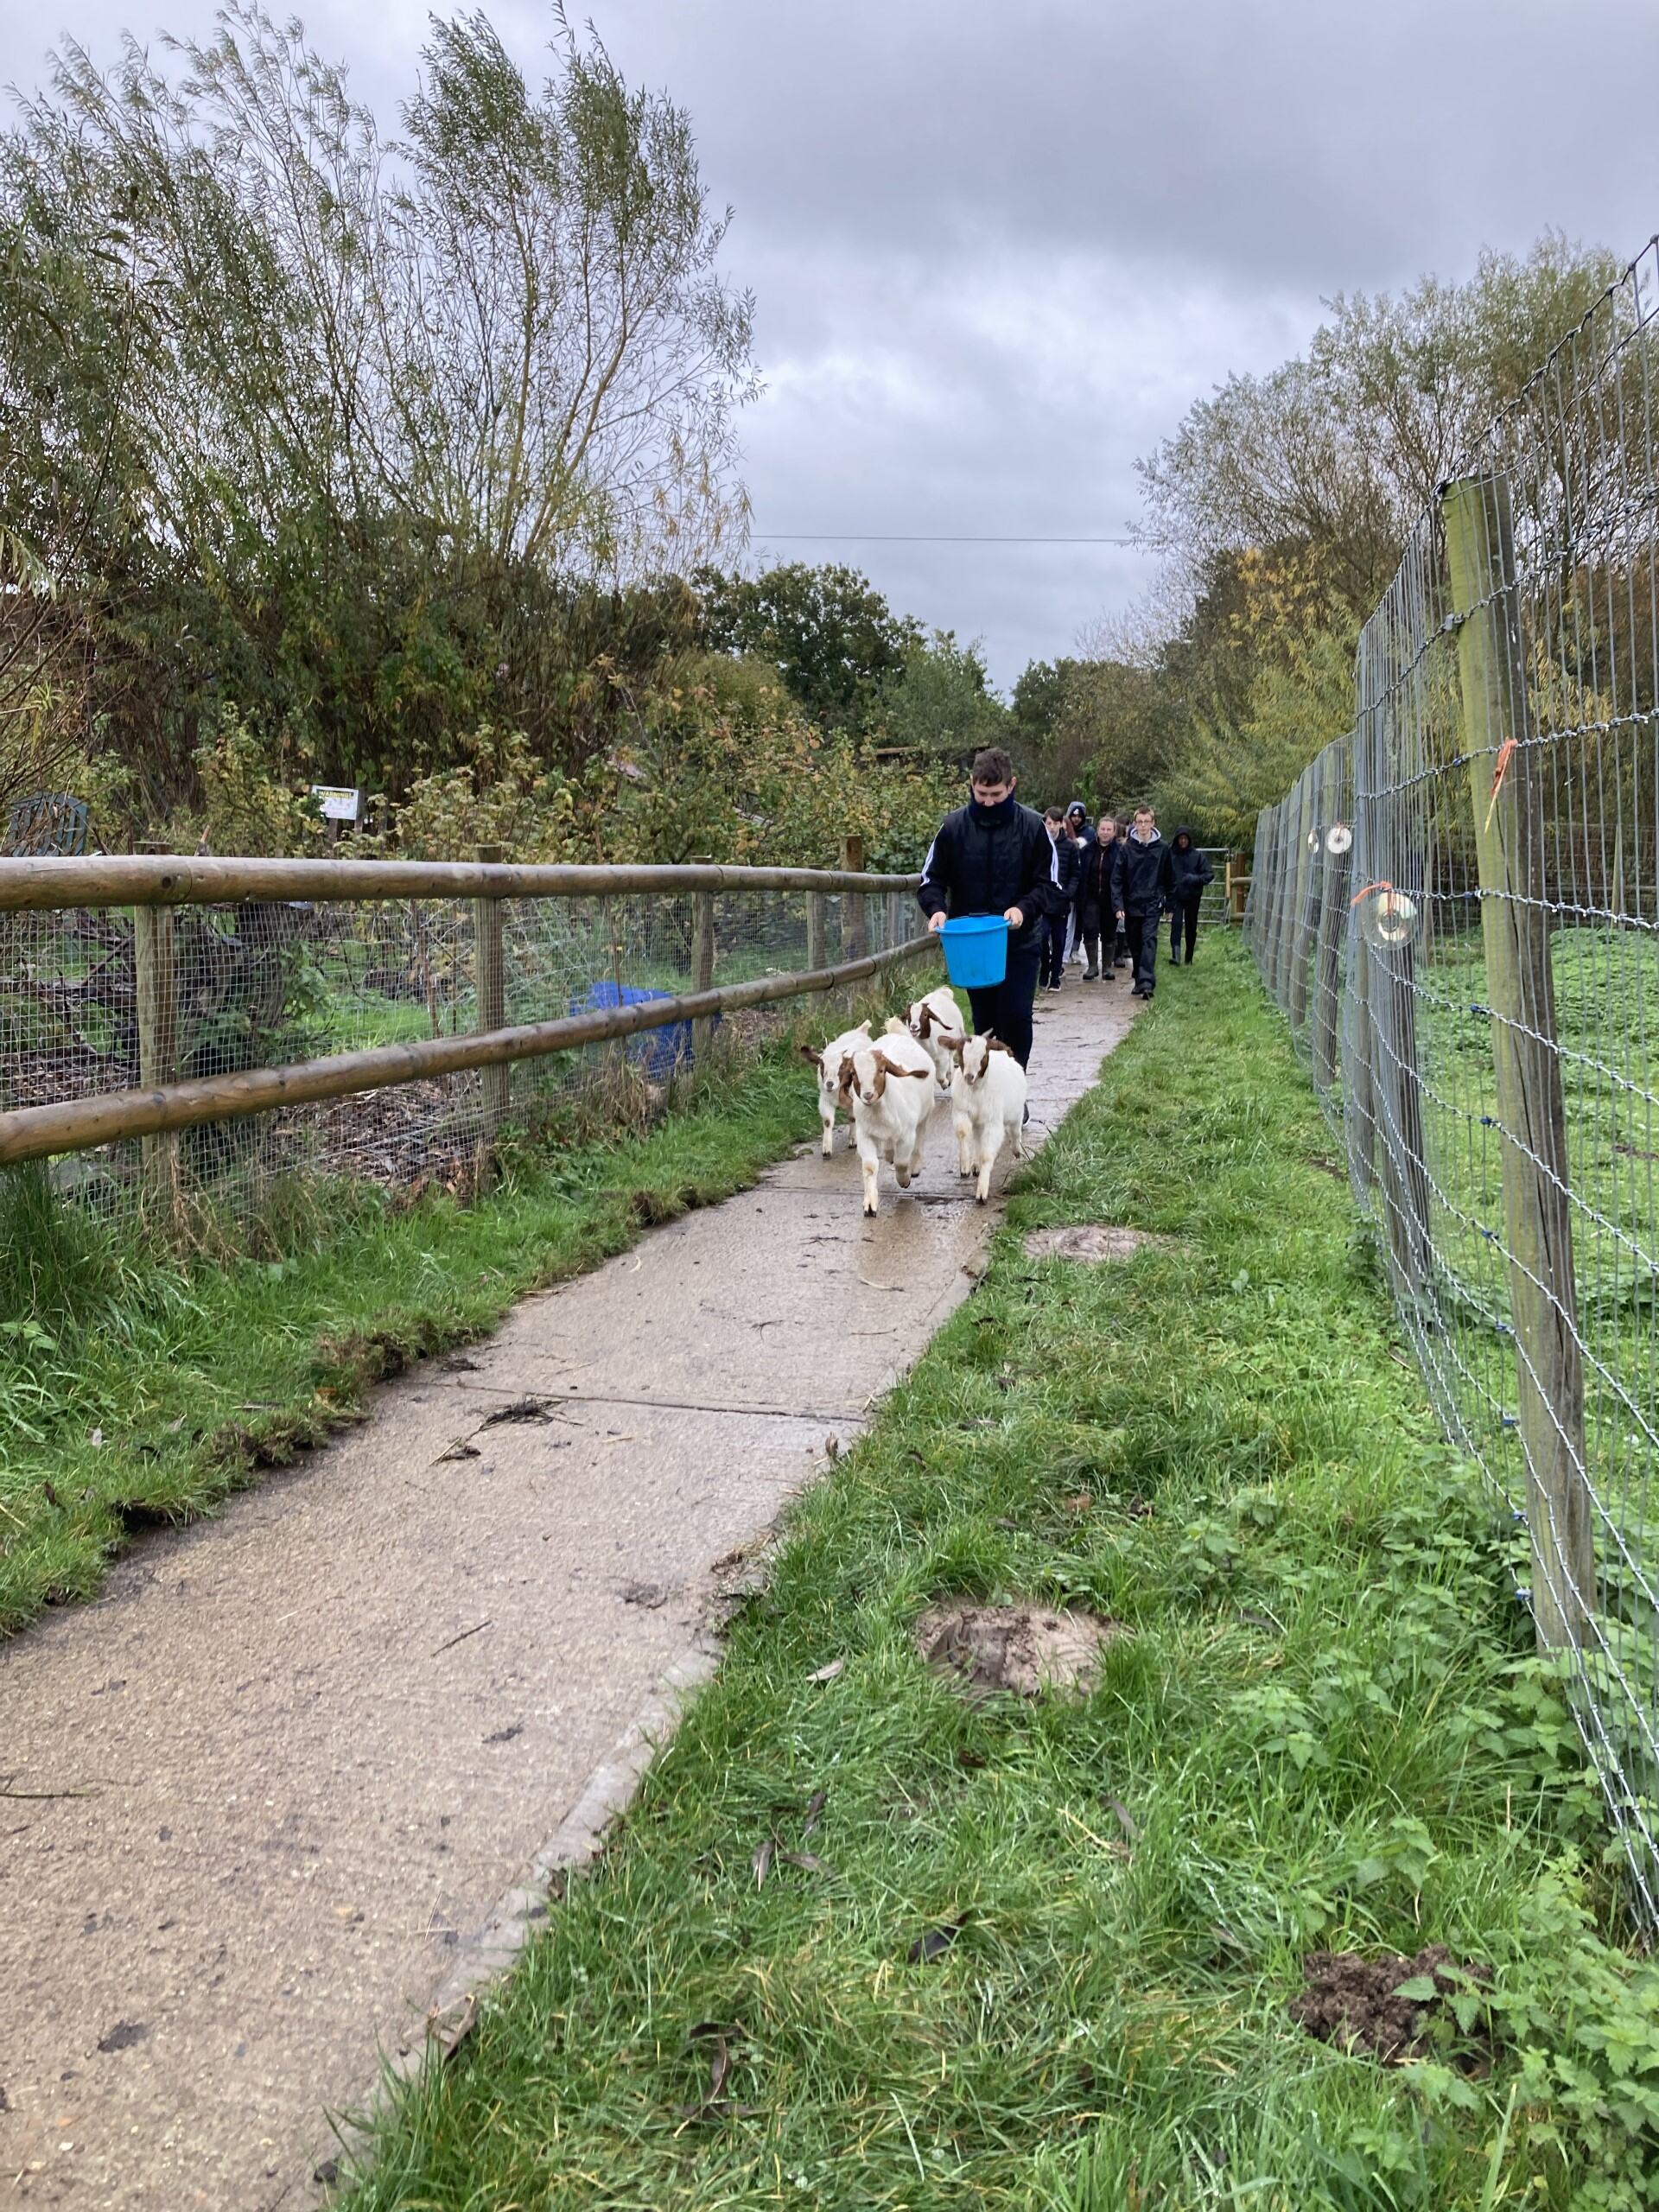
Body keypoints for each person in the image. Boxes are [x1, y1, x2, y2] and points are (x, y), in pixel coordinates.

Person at [918, 746, 1064, 1071]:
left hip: (1019, 943)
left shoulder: (1032, 827)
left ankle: (1015, 1084)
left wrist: (1023, 909)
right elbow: (931, 879)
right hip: (972, 947)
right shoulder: (953, 827)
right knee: (984, 1021)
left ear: (1012, 785)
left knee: (1015, 1015)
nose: (987, 802)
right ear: (971, 784)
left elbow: (1049, 885)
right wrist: (937, 909)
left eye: (996, 794)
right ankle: (987, 1089)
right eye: (981, 793)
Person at [1113, 803, 1173, 1001]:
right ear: (1135, 824)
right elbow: (1117, 878)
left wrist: (1169, 904)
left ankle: (1147, 982)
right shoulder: (1127, 849)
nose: (1143, 826)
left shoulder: (1163, 849)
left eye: (1147, 822)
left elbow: (1170, 877)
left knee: (1149, 940)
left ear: (1153, 823)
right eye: (1140, 822)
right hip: (1132, 903)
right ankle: (1139, 978)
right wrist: (1118, 905)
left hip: (1153, 903)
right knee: (1135, 943)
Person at [1040, 807, 1079, 992]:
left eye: (1055, 823)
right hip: (1043, 900)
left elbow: (1075, 874)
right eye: (1049, 823)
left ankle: (1055, 976)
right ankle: (1044, 969)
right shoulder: (1039, 843)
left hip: (1061, 902)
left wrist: (1069, 892)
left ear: (1061, 824)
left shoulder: (1070, 847)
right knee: (1041, 936)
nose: (1052, 827)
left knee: (1058, 940)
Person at [1075, 815, 1119, 981]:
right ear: (1097, 830)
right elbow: (1080, 874)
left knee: (1109, 932)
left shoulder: (1120, 852)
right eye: (1103, 829)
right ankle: (1093, 966)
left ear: (1114, 832)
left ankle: (1107, 967)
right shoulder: (1086, 851)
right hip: (1090, 896)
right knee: (1090, 928)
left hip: (1110, 898)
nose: (1105, 832)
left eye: (1109, 829)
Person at [1166, 829, 1213, 966]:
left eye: (1185, 839)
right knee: (1176, 925)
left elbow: (1209, 874)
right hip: (1176, 896)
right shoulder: (1171, 854)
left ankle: (1189, 957)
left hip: (1193, 896)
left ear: (1189, 840)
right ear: (1177, 840)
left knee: (1191, 927)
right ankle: (1176, 956)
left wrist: (1195, 879)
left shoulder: (1197, 856)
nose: (1183, 841)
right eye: (1180, 839)